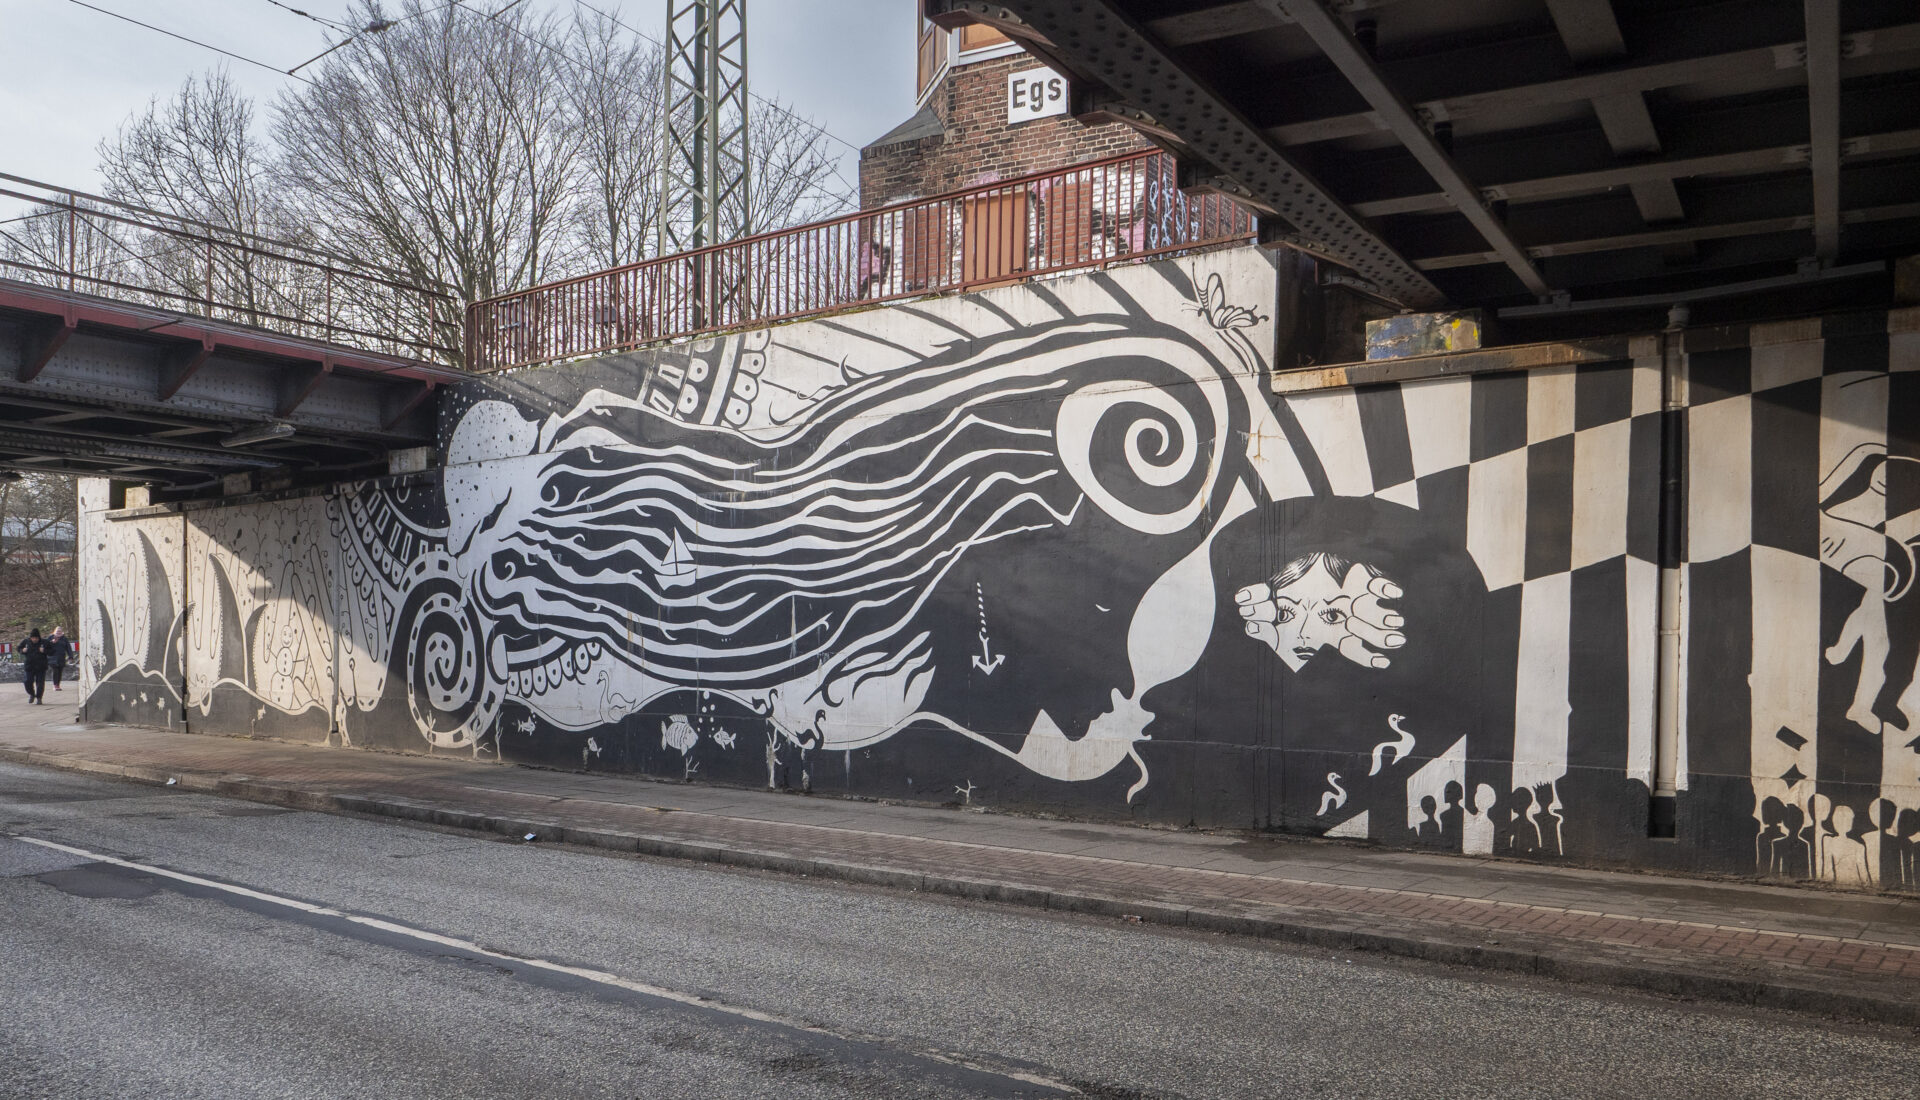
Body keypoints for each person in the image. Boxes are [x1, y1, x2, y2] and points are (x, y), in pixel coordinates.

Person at [18, 628, 48, 705]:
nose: (34, 639)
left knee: (40, 683)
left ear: (39, 637)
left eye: (36, 638)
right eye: (33, 638)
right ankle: (32, 694)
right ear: (30, 638)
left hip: (41, 666)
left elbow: (52, 651)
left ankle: (39, 698)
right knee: (27, 681)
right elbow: (18, 648)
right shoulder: (26, 641)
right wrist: (22, 651)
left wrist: (44, 651)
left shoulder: (44, 642)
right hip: (29, 666)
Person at [45, 626, 71, 691]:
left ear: (62, 632)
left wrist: (70, 656)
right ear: (54, 632)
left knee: (60, 671)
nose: (58, 632)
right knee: (55, 671)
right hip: (52, 658)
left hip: (61, 658)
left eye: (60, 631)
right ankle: (55, 685)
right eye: (57, 631)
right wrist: (52, 642)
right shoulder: (50, 637)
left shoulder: (64, 639)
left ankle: (58, 684)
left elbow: (68, 648)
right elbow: (45, 647)